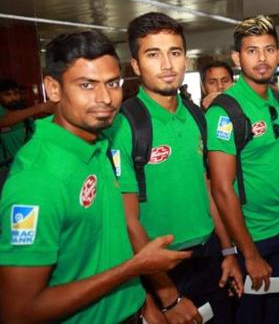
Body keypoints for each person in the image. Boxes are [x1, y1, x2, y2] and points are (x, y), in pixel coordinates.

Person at [0, 30, 190, 324]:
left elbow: (111, 242)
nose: (105, 98)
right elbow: (19, 311)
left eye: (112, 84)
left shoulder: (100, 142)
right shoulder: (37, 180)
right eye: (86, 85)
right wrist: (133, 269)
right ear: (53, 89)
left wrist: (143, 303)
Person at [107, 12, 242, 324]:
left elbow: (206, 187)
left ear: (186, 59)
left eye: (175, 52)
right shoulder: (124, 126)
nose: (167, 65)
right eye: (153, 54)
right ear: (136, 65)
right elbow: (127, 221)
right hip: (159, 270)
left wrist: (227, 251)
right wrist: (167, 297)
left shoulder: (197, 116)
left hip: (208, 257)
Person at [206, 15, 279, 324]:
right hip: (253, 238)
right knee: (252, 317)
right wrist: (248, 254)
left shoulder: (275, 96)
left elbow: (278, 157)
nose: (262, 59)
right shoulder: (225, 110)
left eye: (269, 49)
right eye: (252, 50)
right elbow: (221, 189)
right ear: (237, 57)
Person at [0, 78, 55, 169]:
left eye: (16, 93)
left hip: (24, 165)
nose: (13, 97)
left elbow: (35, 133)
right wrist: (41, 107)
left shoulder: (23, 111)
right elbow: (4, 121)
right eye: (7, 94)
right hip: (4, 169)